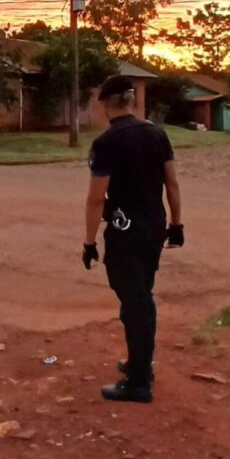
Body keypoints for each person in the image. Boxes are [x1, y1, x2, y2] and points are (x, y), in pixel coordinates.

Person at [82, 75, 183, 403]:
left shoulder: (106, 143)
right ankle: (139, 364)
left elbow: (96, 199)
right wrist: (177, 224)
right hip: (154, 227)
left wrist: (89, 242)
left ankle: (139, 382)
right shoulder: (157, 134)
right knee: (140, 294)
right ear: (131, 101)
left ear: (106, 104)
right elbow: (172, 183)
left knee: (135, 302)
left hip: (125, 231)